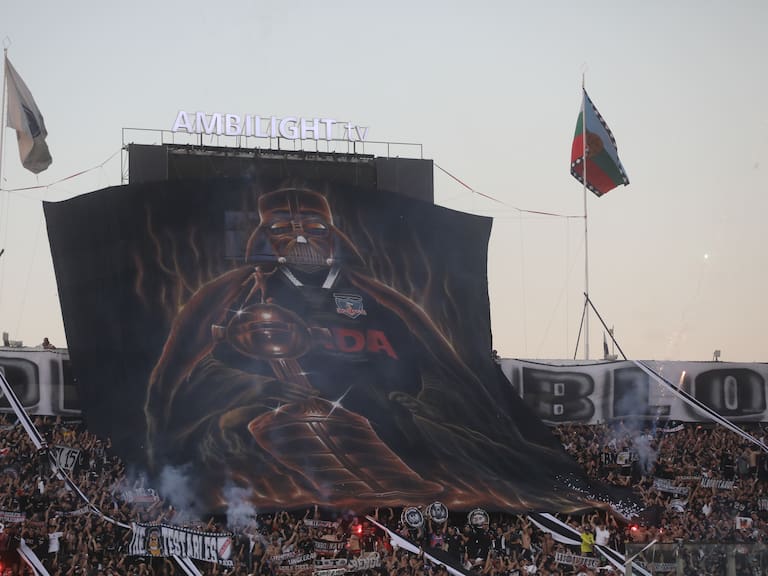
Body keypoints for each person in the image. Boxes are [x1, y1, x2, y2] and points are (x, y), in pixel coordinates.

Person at [144, 186, 588, 512]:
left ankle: (399, 475)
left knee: (435, 434)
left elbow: (434, 365)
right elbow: (188, 371)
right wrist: (256, 387)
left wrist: (404, 395)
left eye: (312, 228)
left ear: (332, 235)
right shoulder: (237, 295)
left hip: (377, 408)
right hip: (273, 406)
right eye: (283, 229)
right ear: (264, 238)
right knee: (252, 421)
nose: (300, 239)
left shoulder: (373, 297)